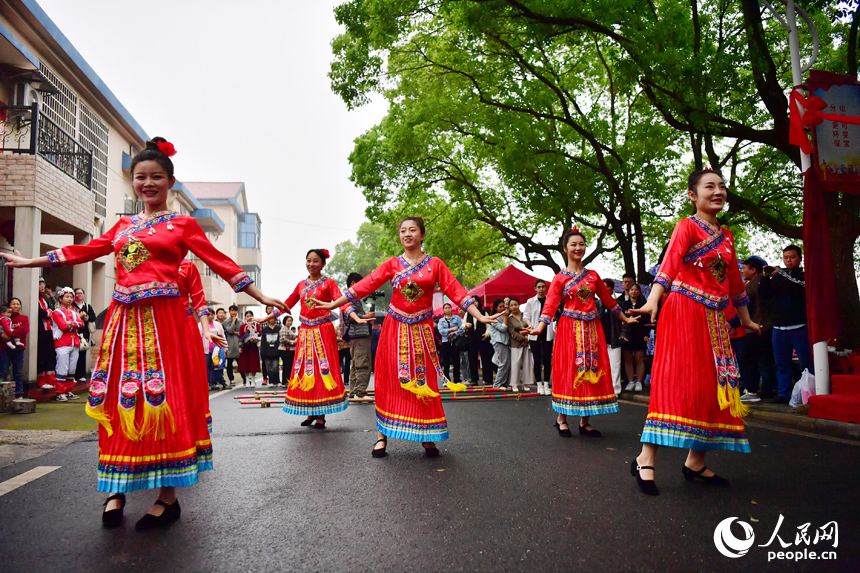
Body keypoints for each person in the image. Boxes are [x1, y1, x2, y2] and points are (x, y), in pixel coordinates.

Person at [1, 137, 284, 528]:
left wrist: (260, 294)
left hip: (165, 324)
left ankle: (167, 498)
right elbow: (88, 250)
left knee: (163, 401)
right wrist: (32, 260)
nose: (147, 183)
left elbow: (219, 262)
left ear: (169, 182)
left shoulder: (182, 224)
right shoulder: (122, 226)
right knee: (118, 401)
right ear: (133, 182)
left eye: (155, 177)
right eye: (140, 177)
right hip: (123, 324)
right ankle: (116, 489)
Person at [315, 217, 501, 458]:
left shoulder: (435, 264)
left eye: (412, 230)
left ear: (422, 235)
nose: (407, 234)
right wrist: (333, 303)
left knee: (422, 381)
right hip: (394, 329)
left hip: (422, 331)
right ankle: (382, 436)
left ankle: (427, 435)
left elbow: (457, 292)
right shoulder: (393, 264)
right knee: (389, 379)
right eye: (403, 230)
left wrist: (480, 316)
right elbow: (364, 286)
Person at [630, 169, 760, 496]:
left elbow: (734, 285)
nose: (717, 191)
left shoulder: (727, 236)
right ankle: (646, 457)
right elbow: (669, 266)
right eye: (709, 186)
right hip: (684, 312)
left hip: (716, 319)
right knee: (676, 382)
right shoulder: (687, 227)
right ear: (693, 195)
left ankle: (695, 461)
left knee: (713, 387)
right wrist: (653, 301)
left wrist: (745, 320)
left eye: (721, 186)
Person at [523, 228, 638, 439]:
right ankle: (562, 419)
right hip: (569, 329)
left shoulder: (593, 276)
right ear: (565, 248)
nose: (578, 248)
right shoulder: (559, 279)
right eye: (574, 244)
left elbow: (609, 301)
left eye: (582, 244)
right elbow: (549, 306)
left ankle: (585, 422)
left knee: (591, 369)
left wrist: (625, 319)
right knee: (570, 370)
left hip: (592, 329)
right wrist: (539, 327)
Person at [258, 249, 358, 428]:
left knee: (322, 371)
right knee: (305, 371)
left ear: (323, 264)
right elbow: (287, 304)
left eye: (316, 261)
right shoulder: (301, 285)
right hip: (305, 333)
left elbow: (341, 301)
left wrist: (354, 316)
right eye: (309, 260)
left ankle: (321, 414)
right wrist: (266, 317)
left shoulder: (329, 283)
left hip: (323, 331)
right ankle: (310, 412)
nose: (311, 264)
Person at [758, 245, 813, 404]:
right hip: (779, 328)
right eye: (786, 257)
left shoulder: (803, 275)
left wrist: (781, 272)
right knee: (781, 364)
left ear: (800, 258)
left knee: (806, 363)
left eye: (792, 257)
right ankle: (784, 394)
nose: (788, 260)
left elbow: (798, 286)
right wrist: (765, 277)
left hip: (800, 326)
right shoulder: (778, 276)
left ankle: (809, 393)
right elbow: (764, 295)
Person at [738, 257, 776, 401]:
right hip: (770, 326)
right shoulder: (769, 282)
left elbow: (746, 309)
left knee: (747, 359)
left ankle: (752, 391)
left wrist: (745, 322)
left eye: (744, 268)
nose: (742, 271)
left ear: (753, 269)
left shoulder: (750, 287)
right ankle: (769, 389)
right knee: (767, 360)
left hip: (755, 327)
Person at [343, 272, 383, 398]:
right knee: (363, 363)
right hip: (359, 335)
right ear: (354, 283)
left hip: (357, 335)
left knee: (356, 364)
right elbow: (348, 316)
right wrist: (366, 316)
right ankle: (360, 392)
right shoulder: (351, 297)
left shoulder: (350, 297)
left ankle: (354, 392)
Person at [50, 287, 85, 401]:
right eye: (67, 297)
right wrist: (75, 323)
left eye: (71, 297)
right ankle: (60, 392)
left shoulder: (73, 312)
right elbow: (63, 326)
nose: (69, 299)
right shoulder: (56, 312)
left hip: (74, 342)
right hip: (62, 342)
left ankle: (69, 390)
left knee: (71, 369)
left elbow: (82, 324)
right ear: (60, 299)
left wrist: (70, 323)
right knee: (62, 368)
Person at [524, 279, 554, 395]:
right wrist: (530, 324)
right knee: (537, 361)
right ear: (535, 288)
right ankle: (539, 385)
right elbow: (526, 316)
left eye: (543, 287)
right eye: (539, 287)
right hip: (534, 333)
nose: (541, 289)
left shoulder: (550, 301)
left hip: (547, 333)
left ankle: (546, 384)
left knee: (547, 360)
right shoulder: (531, 301)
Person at [620, 284, 648, 392]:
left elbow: (647, 321)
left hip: (640, 334)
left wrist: (646, 334)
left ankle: (639, 382)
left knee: (639, 359)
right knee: (628, 359)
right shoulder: (624, 304)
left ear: (639, 292)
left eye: (636, 290)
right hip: (627, 335)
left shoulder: (644, 304)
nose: (633, 292)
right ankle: (631, 381)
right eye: (631, 290)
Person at [598, 278, 623, 394]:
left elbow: (624, 323)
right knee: (598, 367)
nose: (605, 289)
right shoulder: (595, 305)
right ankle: (600, 389)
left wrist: (623, 334)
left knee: (615, 366)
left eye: (607, 287)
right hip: (599, 341)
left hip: (614, 340)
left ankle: (615, 390)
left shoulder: (618, 305)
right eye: (602, 287)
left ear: (612, 289)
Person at [0, 299, 28, 398]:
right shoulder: (3, 318)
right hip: (4, 348)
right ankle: (2, 395)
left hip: (18, 349)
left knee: (18, 373)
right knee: (3, 371)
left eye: (18, 304)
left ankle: (19, 394)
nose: (15, 306)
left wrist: (9, 335)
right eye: (13, 304)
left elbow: (24, 331)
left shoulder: (24, 318)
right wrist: (2, 335)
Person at [507, 297, 534, 392]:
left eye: (515, 305)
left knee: (527, 363)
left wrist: (528, 337)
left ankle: (526, 383)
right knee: (516, 363)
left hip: (527, 343)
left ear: (519, 305)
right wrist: (524, 338)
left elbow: (530, 326)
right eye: (511, 305)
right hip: (516, 343)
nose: (514, 307)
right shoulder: (509, 319)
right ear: (509, 307)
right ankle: (514, 384)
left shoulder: (525, 316)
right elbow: (512, 332)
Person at [464, 298, 492, 386]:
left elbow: (488, 326)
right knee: (472, 359)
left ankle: (488, 379)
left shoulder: (483, 312)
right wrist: (465, 325)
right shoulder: (468, 313)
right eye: (472, 301)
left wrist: (487, 334)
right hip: (472, 338)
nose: (474, 303)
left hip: (482, 338)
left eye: (475, 301)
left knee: (486, 358)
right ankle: (474, 380)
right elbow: (462, 324)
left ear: (479, 303)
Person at [73, 288, 97, 383]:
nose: (79, 295)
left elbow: (93, 317)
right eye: (77, 293)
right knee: (74, 354)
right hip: (74, 331)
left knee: (82, 353)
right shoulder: (72, 306)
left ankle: (81, 374)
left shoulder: (87, 306)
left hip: (84, 332)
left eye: (81, 293)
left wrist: (85, 317)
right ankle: (73, 375)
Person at [35, 278, 56, 390]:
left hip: (49, 330)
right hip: (40, 330)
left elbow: (53, 309)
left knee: (50, 355)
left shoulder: (45, 299)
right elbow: (41, 312)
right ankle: (41, 381)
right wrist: (48, 312)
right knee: (41, 355)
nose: (42, 286)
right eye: (40, 284)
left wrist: (48, 312)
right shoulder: (35, 299)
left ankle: (51, 379)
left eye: (43, 283)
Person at [200, 308, 228, 390]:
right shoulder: (200, 324)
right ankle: (206, 383)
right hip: (205, 350)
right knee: (206, 367)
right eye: (208, 315)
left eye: (212, 314)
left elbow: (223, 336)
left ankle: (213, 383)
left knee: (215, 367)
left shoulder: (218, 324)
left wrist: (225, 347)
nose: (210, 316)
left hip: (216, 349)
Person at [437, 302, 463, 383]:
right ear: (444, 310)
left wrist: (455, 333)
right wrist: (451, 329)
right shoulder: (441, 320)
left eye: (449, 308)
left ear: (451, 309)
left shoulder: (457, 318)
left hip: (455, 341)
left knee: (456, 361)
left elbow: (461, 328)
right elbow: (441, 331)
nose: (448, 309)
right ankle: (446, 380)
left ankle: (457, 379)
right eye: (446, 308)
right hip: (445, 342)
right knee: (446, 362)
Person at [488, 298, 511, 390]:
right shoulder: (493, 317)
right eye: (500, 307)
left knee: (507, 363)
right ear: (495, 308)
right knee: (503, 363)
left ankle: (504, 384)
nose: (502, 308)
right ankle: (497, 385)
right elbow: (503, 328)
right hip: (498, 342)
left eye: (503, 306)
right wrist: (505, 316)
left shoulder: (504, 315)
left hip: (505, 342)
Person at [238, 311, 261, 387]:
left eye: (250, 316)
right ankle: (247, 379)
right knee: (245, 363)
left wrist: (253, 330)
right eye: (247, 316)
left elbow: (259, 334)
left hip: (253, 346)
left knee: (253, 363)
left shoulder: (256, 325)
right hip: (245, 347)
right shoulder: (242, 326)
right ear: (245, 317)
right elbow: (240, 337)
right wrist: (240, 347)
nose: (249, 318)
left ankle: (253, 379)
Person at [221, 304, 241, 386]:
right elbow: (229, 331)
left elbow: (242, 332)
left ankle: (244, 378)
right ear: (229, 311)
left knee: (241, 363)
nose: (234, 312)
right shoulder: (225, 322)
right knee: (229, 364)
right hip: (230, 344)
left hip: (238, 344)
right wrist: (233, 322)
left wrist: (236, 333)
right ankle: (231, 379)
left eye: (235, 310)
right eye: (232, 310)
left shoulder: (241, 321)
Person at [259, 315, 281, 388]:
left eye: (273, 319)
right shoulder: (265, 329)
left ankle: (277, 381)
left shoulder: (278, 329)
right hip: (267, 352)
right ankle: (271, 381)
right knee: (269, 368)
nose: (271, 320)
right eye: (270, 319)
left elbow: (280, 341)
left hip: (276, 351)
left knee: (275, 367)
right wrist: (262, 352)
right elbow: (263, 342)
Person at [278, 315, 296, 388]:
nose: (290, 322)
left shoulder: (289, 329)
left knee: (288, 366)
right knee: (287, 366)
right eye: (288, 321)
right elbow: (283, 339)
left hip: (290, 350)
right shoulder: (283, 329)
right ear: (285, 321)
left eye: (291, 321)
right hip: (285, 349)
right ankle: (285, 381)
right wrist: (293, 342)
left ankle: (287, 381)